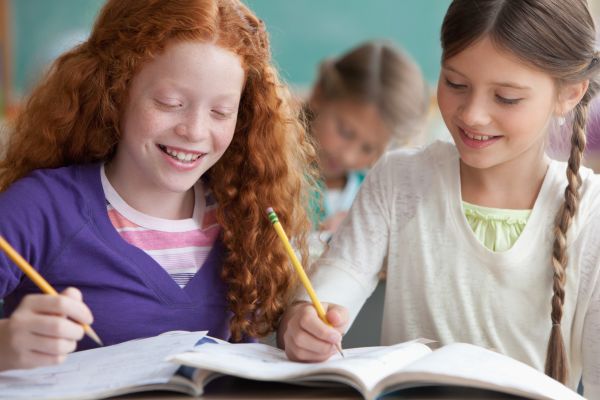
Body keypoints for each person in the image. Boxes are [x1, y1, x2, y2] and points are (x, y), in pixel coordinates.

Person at [278, 0, 600, 396]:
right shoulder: (399, 180)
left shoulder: (592, 215)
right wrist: (301, 323)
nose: (473, 114)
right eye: (455, 84)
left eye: (507, 98)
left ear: (570, 94)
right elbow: (331, 289)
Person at [0, 0, 317, 371]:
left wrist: (297, 326)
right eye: (170, 103)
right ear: (116, 91)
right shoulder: (40, 208)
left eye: (220, 112)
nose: (195, 131)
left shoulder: (243, 218)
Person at [305, 41, 428, 233]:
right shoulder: (274, 171)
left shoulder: (373, 191)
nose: (349, 156)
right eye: (345, 132)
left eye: (368, 148)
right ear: (319, 95)